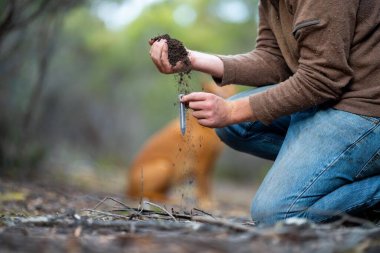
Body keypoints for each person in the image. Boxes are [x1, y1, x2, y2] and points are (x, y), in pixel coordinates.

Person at [148, 0, 380, 225]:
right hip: (328, 100)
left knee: (277, 215)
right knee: (234, 127)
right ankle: (332, 173)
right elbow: (274, 60)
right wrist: (192, 59)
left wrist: (231, 109)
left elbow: (323, 78)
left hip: (365, 107)